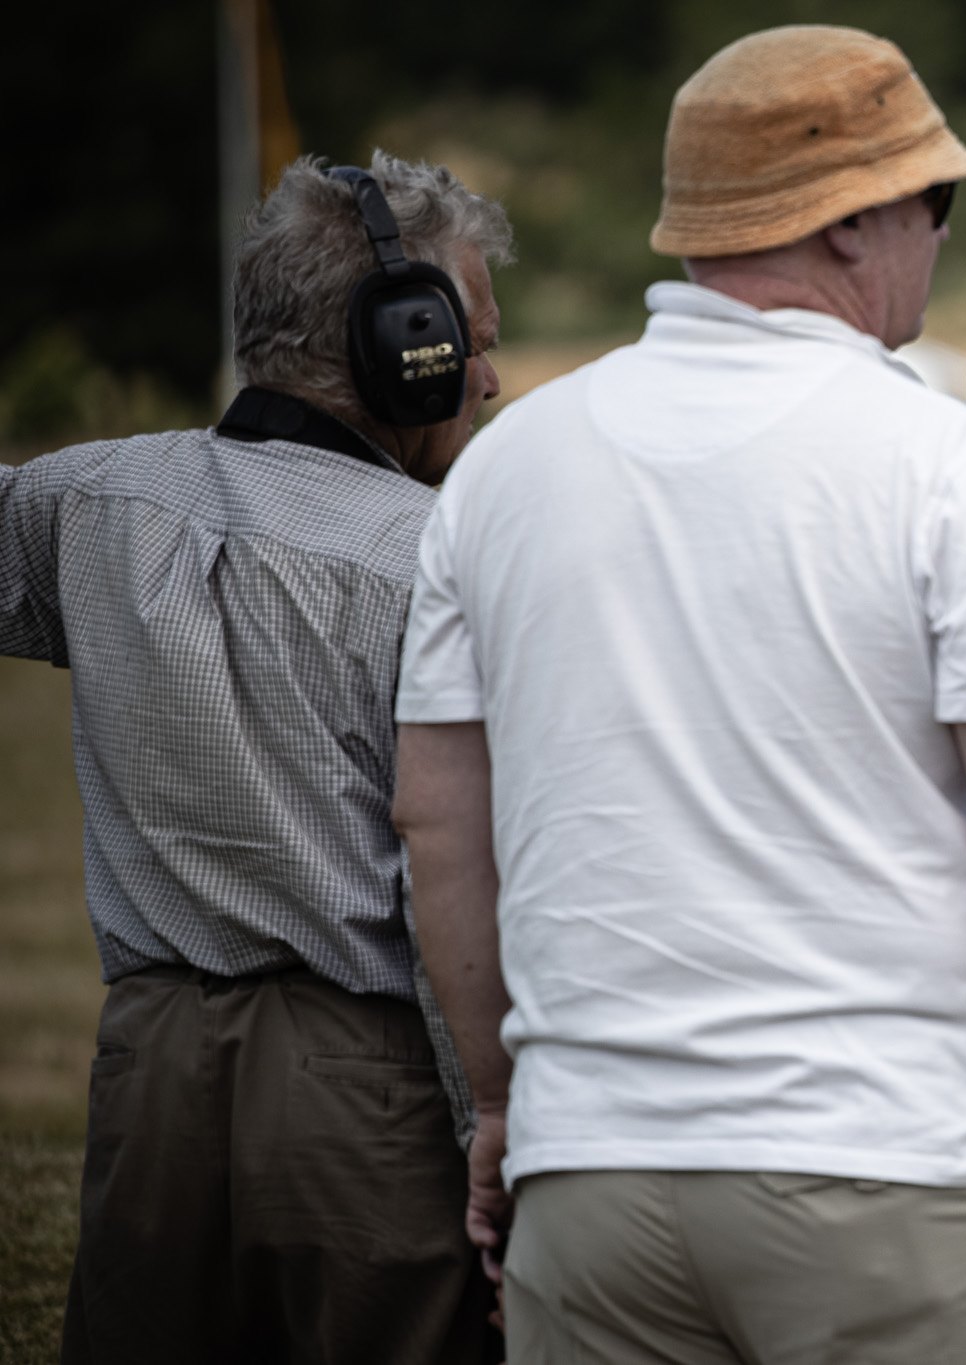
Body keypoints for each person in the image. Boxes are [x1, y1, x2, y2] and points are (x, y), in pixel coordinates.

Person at [393, 24, 966, 1365]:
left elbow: (437, 824)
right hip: (897, 1165)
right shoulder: (942, 458)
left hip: (591, 1181)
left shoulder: (503, 466)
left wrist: (504, 1110)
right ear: (850, 222)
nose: (939, 237)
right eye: (935, 202)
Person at [0, 152, 511, 1364]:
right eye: (475, 343)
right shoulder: (447, 559)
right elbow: (461, 887)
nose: (488, 380)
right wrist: (497, 1122)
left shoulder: (88, 498)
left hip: (146, 1077)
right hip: (373, 1091)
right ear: (400, 344)